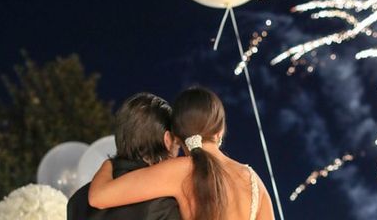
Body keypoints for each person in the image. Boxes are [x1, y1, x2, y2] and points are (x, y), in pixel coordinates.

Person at [89, 86, 275, 220]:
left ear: (175, 137)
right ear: (220, 131)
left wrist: (109, 163)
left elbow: (98, 197)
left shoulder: (179, 171)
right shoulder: (254, 181)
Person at [68, 92, 182, 220]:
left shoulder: (77, 200)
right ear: (167, 140)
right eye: (177, 143)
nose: (178, 152)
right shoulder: (164, 202)